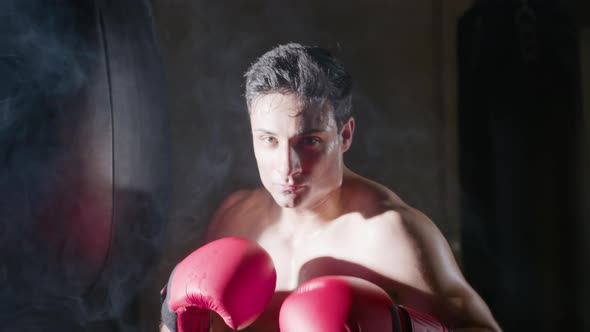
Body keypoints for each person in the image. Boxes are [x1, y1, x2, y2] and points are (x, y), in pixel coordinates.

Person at [162, 43, 501, 331]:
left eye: (308, 141)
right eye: (268, 140)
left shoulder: (390, 235)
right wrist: (171, 316)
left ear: (345, 135)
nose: (287, 167)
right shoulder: (236, 217)